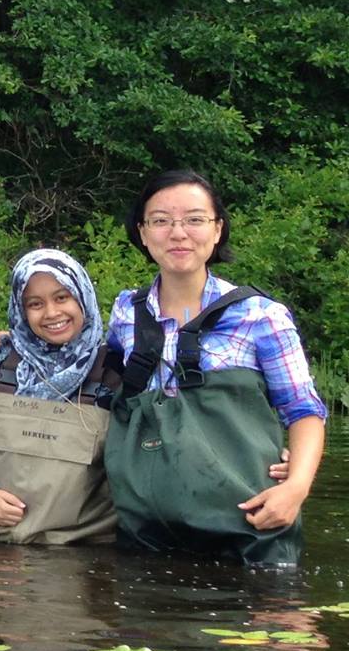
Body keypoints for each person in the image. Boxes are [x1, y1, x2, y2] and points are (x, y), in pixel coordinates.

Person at [103, 171, 326, 565]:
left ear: (217, 229)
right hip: (147, 533)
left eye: (194, 219)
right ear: (142, 232)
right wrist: (11, 339)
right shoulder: (125, 311)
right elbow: (90, 367)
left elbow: (304, 411)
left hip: (250, 529)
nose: (178, 233)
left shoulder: (261, 316)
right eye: (161, 220)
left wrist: (297, 487)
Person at [0, 250, 118, 545]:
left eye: (62, 297)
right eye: (35, 304)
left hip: (80, 551)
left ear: (84, 296)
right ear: (20, 311)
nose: (52, 313)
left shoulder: (114, 370)